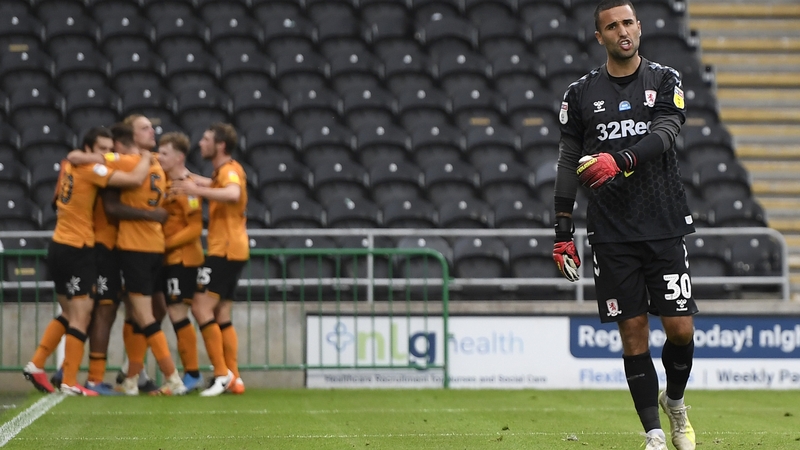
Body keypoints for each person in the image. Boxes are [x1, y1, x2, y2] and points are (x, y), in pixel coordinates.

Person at [551, 1, 697, 449]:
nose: (622, 31)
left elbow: (667, 130)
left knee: (680, 330)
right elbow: (567, 160)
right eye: (612, 26)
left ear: (639, 27)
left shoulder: (664, 79)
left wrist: (620, 159)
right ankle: (653, 434)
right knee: (632, 331)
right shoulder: (579, 93)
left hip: (664, 222)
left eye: (628, 22)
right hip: (611, 231)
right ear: (600, 37)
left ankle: (675, 403)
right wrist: (562, 230)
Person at [22, 126, 151, 395]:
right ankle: (69, 380)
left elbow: (56, 201)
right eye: (102, 149)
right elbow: (134, 180)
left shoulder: (69, 166)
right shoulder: (92, 170)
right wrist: (147, 157)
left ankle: (36, 364)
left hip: (58, 244)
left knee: (69, 314)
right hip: (78, 248)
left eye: (109, 149)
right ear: (89, 149)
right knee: (82, 315)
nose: (107, 154)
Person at [68, 123, 187, 396]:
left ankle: (172, 377)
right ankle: (132, 377)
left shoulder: (131, 161)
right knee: (140, 313)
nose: (152, 131)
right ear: (132, 137)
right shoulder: (151, 161)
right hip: (153, 246)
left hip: (136, 248)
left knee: (143, 314)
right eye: (145, 128)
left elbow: (79, 159)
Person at [172, 123, 248, 396]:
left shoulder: (228, 171)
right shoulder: (223, 172)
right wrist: (189, 178)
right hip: (233, 249)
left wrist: (196, 191)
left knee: (201, 308)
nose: (200, 143)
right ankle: (235, 378)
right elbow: (215, 184)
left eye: (206, 139)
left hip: (224, 250)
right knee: (221, 313)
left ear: (220, 146)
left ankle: (221, 374)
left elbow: (232, 193)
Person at [156, 131, 204, 392]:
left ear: (179, 157)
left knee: (177, 312)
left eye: (164, 153)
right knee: (167, 313)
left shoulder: (188, 185)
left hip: (183, 259)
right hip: (169, 259)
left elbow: (195, 228)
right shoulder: (163, 181)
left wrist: (164, 245)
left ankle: (192, 374)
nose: (160, 157)